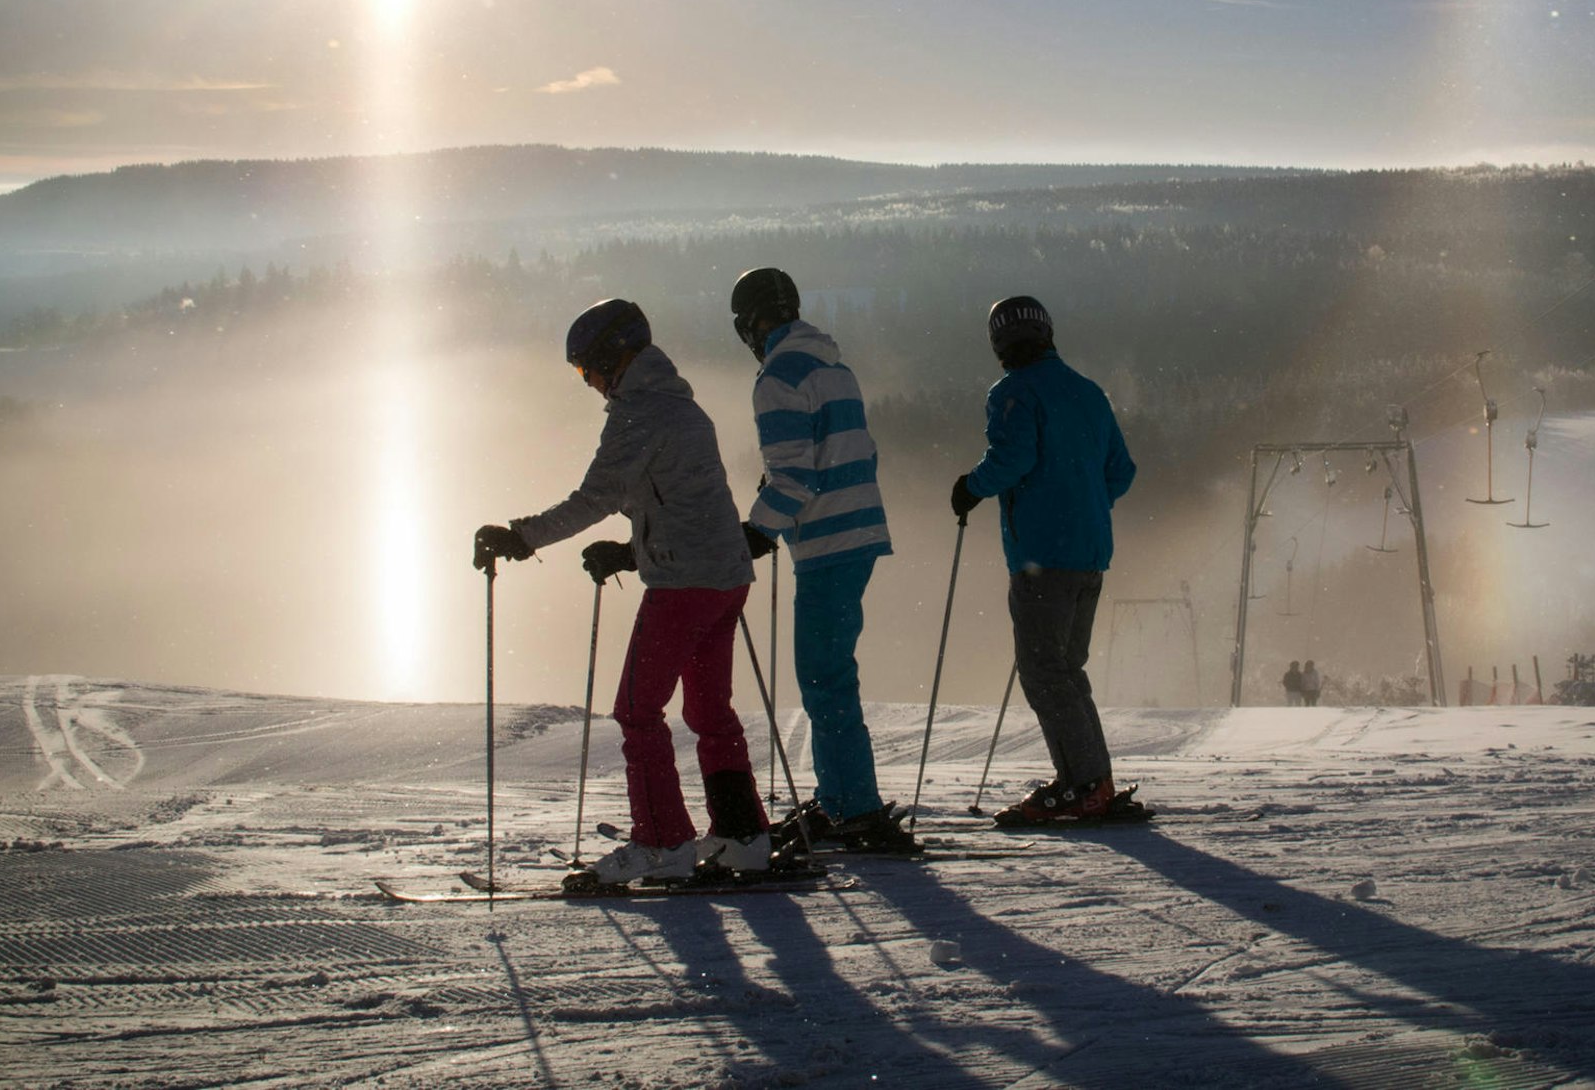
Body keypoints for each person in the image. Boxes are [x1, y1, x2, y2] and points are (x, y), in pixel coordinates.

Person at [472, 298, 772, 885]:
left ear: (613, 357)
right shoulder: (684, 407)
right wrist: (630, 552)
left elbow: (596, 496)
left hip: (682, 585)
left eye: (586, 371)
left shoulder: (639, 413)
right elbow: (685, 505)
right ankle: (743, 836)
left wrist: (520, 536)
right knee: (709, 711)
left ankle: (663, 846)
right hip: (725, 576)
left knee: (636, 712)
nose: (590, 385)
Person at [726, 267, 911, 854]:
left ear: (752, 323)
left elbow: (795, 477)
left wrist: (759, 528)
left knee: (823, 676)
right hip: (858, 531)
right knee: (831, 671)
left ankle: (853, 805)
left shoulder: (778, 378)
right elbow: (856, 450)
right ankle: (841, 796)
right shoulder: (836, 368)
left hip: (827, 540)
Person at [950, 295, 1141, 826]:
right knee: (1067, 669)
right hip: (1090, 554)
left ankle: (1082, 784)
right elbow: (1121, 471)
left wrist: (970, 488)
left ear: (999, 345)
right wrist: (1084, 500)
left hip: (1042, 557)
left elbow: (1013, 458)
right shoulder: (1087, 392)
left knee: (1043, 672)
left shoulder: (1014, 392)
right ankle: (1093, 780)